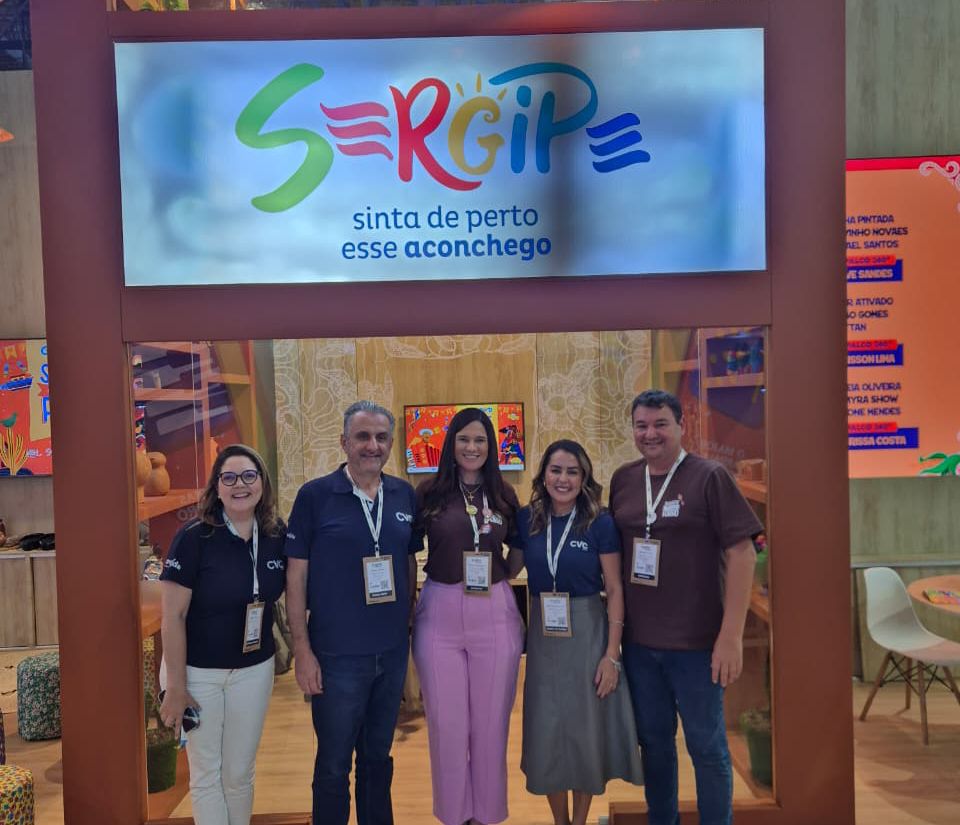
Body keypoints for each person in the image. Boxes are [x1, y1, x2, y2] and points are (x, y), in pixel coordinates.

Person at [609, 390, 762, 825]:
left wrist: (731, 636)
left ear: (681, 426)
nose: (650, 433)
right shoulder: (623, 480)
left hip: (698, 647)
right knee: (655, 747)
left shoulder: (709, 477)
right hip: (640, 646)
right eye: (641, 425)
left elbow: (743, 554)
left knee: (707, 748)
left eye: (660, 424)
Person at [285, 401, 420, 825]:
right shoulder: (315, 497)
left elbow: (409, 562)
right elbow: (295, 577)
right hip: (336, 657)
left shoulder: (403, 495)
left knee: (378, 759)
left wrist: (407, 626)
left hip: (391, 654)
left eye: (381, 437)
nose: (372, 446)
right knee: (333, 765)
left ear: (391, 443)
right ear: (344, 442)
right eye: (362, 436)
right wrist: (301, 650)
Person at [514, 439, 643, 825]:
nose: (563, 479)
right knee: (547, 730)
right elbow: (508, 569)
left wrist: (611, 655)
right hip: (543, 638)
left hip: (588, 632)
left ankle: (581, 820)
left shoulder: (599, 522)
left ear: (584, 477)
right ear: (543, 475)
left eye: (573, 472)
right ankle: (561, 821)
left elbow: (615, 589)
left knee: (586, 729)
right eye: (556, 470)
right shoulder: (528, 519)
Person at [159, 443, 286, 825]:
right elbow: (173, 616)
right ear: (216, 487)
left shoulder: (276, 534)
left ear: (262, 483)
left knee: (239, 772)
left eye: (248, 476)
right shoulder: (193, 537)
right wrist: (176, 687)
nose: (239, 485)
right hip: (197, 673)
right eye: (228, 478)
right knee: (206, 774)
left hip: (254, 670)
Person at [412, 407, 524, 825]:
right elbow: (408, 548)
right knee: (447, 726)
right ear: (451, 444)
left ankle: (487, 815)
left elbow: (519, 547)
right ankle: (454, 815)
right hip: (439, 612)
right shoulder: (429, 492)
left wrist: (502, 576)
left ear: (491, 446)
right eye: (463, 439)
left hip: (493, 612)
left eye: (480, 440)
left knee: (491, 726)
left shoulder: (504, 494)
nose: (472, 447)